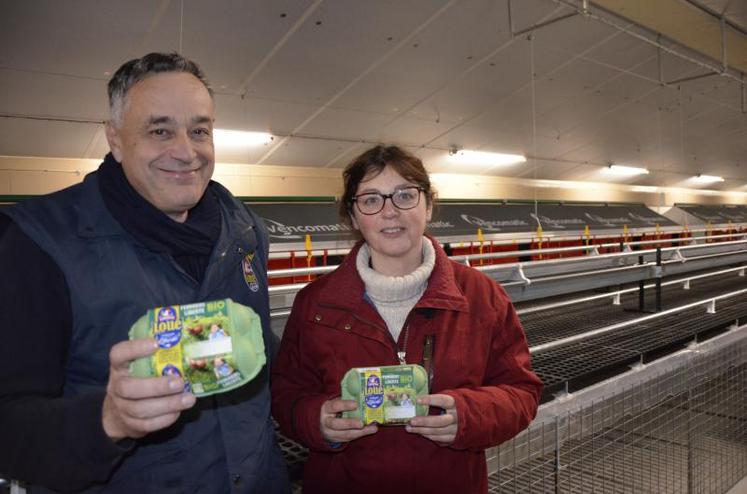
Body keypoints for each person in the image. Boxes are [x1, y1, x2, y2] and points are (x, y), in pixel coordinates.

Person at [0, 52, 290, 493]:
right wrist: (108, 419)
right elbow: (10, 425)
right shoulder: (41, 242)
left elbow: (259, 350)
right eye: (160, 130)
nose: (186, 151)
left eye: (199, 130)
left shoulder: (245, 229)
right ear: (115, 139)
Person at [271, 145, 543, 494]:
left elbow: (522, 392)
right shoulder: (315, 304)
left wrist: (468, 415)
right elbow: (285, 395)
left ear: (428, 205)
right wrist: (316, 420)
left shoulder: (481, 297)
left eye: (404, 195)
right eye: (371, 200)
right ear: (354, 217)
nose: (389, 212)